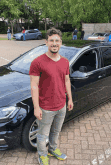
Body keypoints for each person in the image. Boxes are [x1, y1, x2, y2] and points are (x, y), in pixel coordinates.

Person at [29, 27, 73, 165]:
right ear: (46, 42)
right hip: (46, 107)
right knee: (42, 135)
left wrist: (70, 99)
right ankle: (42, 155)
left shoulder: (65, 62)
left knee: (56, 132)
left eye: (57, 41)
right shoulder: (37, 62)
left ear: (61, 43)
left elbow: (66, 80)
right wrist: (36, 107)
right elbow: (34, 85)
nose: (54, 43)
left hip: (61, 105)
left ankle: (53, 149)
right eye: (51, 40)